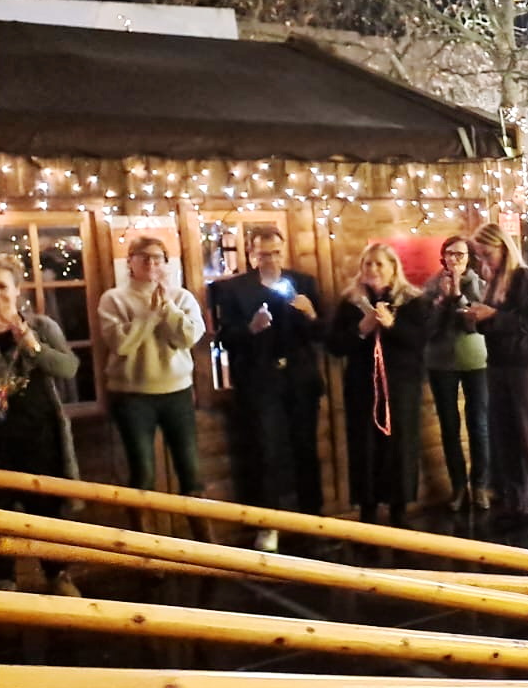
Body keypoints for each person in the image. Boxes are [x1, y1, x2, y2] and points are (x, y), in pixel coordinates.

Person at [210, 225, 327, 552]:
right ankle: (268, 524)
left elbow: (322, 334)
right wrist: (250, 329)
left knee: (306, 450)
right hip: (260, 383)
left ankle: (313, 520)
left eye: (276, 253)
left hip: (300, 381)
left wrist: (311, 313)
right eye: (263, 255)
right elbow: (224, 339)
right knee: (265, 452)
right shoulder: (234, 289)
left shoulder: (303, 283)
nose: (271, 260)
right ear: (251, 255)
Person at [97, 236, 208, 528]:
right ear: (130, 262)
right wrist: (149, 315)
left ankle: (205, 545)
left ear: (166, 263)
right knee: (142, 473)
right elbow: (121, 344)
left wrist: (168, 308)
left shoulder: (182, 297)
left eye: (157, 258)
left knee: (191, 471)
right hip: (131, 396)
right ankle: (144, 544)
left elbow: (187, 338)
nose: (151, 263)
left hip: (177, 392)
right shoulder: (113, 299)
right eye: (143, 257)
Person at [0, 254, 82, 595]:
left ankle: (58, 576)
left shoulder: (43, 326)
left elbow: (69, 368)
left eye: (2, 286)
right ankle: (2, 582)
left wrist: (32, 345)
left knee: (47, 511)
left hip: (40, 435)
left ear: (17, 290)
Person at [327, 243, 432, 527]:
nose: (372, 269)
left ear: (393, 269)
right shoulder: (350, 303)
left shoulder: (412, 301)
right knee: (364, 447)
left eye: (379, 264)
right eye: (368, 264)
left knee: (400, 446)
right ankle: (368, 510)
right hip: (362, 388)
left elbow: (420, 340)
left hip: (401, 387)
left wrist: (391, 325)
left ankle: (399, 509)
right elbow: (335, 345)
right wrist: (361, 330)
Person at [468, 222, 528, 524]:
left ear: (503, 248)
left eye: (487, 254)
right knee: (504, 434)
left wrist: (494, 314)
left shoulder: (524, 277)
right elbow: (495, 325)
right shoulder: (495, 280)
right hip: (499, 362)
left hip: (524, 365)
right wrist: (477, 318)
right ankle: (517, 501)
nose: (484, 261)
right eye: (479, 255)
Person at [424, 235, 490, 511]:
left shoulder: (480, 284)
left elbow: (475, 324)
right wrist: (442, 302)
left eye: (460, 254)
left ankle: (480, 486)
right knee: (449, 427)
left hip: (475, 360)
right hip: (440, 362)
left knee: (479, 425)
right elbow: (427, 328)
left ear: (469, 259)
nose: (454, 259)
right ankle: (459, 488)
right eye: (449, 254)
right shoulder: (431, 286)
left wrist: (458, 297)